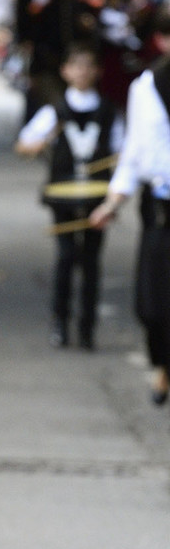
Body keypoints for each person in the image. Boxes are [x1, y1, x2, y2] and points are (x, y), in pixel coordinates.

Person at [16, 45, 120, 351]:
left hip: (97, 197)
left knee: (91, 262)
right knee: (65, 259)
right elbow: (24, 144)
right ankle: (60, 322)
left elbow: (122, 150)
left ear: (98, 72)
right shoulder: (55, 110)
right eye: (76, 66)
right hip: (62, 195)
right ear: (65, 71)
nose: (82, 72)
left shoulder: (109, 111)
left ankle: (87, 328)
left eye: (89, 66)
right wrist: (37, 144)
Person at [89, 51, 170, 403]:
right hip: (160, 206)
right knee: (152, 305)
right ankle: (162, 363)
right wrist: (113, 201)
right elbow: (135, 149)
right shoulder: (148, 86)